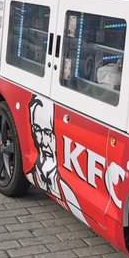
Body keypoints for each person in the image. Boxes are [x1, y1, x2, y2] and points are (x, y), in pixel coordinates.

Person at [25, 94, 88, 226]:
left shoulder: (69, 194)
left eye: (48, 133)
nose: (43, 141)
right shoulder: (32, 174)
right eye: (37, 130)